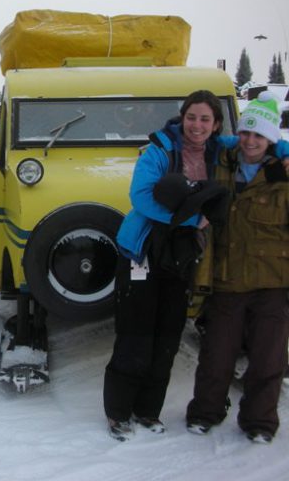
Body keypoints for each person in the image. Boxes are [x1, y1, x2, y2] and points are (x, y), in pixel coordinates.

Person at [103, 89, 230, 441]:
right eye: (192, 117)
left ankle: (147, 410)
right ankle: (118, 412)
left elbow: (257, 143)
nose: (197, 125)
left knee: (167, 337)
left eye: (205, 119)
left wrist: (282, 151)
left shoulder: (219, 150)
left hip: (181, 258)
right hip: (142, 253)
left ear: (216, 123)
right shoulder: (161, 150)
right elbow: (141, 197)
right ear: (182, 117)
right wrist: (192, 221)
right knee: (136, 336)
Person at [186, 91, 289, 444]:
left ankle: (260, 421)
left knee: (268, 358)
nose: (250, 141)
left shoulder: (283, 174)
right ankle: (204, 413)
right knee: (217, 355)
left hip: (272, 282)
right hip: (227, 280)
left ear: (271, 139)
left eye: (259, 135)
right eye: (246, 133)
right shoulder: (222, 162)